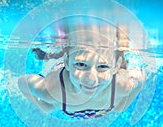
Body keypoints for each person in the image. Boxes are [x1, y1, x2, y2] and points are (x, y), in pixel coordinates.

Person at [18, 20, 146, 119]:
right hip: (65, 101)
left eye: (102, 66)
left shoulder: (122, 84)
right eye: (80, 65)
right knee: (47, 107)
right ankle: (51, 56)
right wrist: (42, 105)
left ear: (115, 67)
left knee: (119, 107)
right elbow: (22, 82)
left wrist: (122, 105)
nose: (91, 79)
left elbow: (141, 78)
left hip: (104, 100)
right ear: (67, 63)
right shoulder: (53, 90)